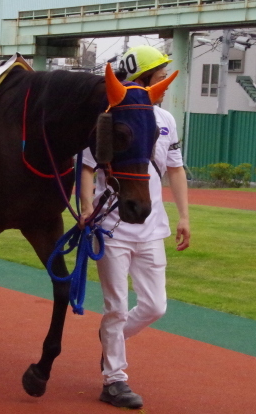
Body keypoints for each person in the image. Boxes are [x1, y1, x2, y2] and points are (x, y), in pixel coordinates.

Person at [80, 45, 190, 409]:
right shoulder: (109, 117)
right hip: (111, 225)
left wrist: (184, 217)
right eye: (159, 75)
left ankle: (112, 338)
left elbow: (175, 168)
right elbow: (86, 166)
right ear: (141, 80)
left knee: (156, 306)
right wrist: (84, 207)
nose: (163, 81)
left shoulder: (166, 120)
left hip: (151, 225)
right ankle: (114, 380)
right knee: (115, 305)